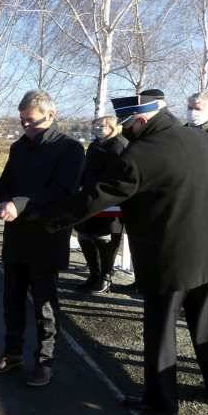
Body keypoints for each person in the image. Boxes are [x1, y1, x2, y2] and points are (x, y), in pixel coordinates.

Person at [31, 90, 208, 414]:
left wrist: (48, 219)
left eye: (127, 124)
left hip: (169, 256)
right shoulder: (200, 140)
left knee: (161, 330)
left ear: (140, 119)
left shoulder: (142, 154)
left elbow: (95, 197)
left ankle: (160, 400)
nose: (124, 130)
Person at [0, 89, 85, 387]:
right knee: (11, 298)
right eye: (22, 122)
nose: (26, 127)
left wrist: (18, 204)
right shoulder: (19, 147)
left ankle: (44, 360)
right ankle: (13, 351)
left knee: (44, 302)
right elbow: (5, 183)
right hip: (16, 235)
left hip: (47, 235)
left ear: (51, 115)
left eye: (31, 121)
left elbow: (61, 191)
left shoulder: (70, 149)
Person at [74, 116, 128, 294]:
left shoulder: (119, 145)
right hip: (88, 197)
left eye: (102, 126)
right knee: (85, 236)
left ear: (113, 127)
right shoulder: (95, 145)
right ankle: (93, 274)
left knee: (105, 240)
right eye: (96, 125)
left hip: (109, 201)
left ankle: (106, 276)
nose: (98, 128)